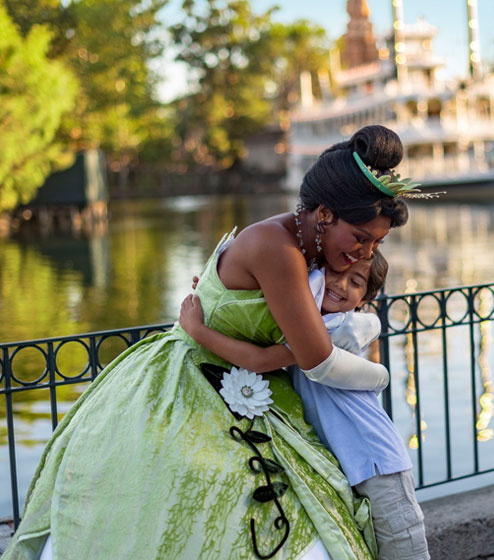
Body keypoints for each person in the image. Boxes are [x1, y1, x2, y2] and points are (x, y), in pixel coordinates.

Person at [4, 125, 410, 560]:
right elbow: (317, 360)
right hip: (191, 381)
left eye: (377, 243)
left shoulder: (311, 250)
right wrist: (380, 375)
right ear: (325, 214)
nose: (366, 254)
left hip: (241, 381)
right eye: (362, 238)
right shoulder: (278, 249)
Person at [181, 252, 430, 560]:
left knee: (404, 549)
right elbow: (260, 314)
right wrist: (218, 297)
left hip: (376, 460)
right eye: (335, 272)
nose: (339, 284)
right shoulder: (305, 318)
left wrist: (199, 331)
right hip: (347, 462)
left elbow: (260, 359)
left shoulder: (332, 328)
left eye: (355, 282)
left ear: (364, 298)